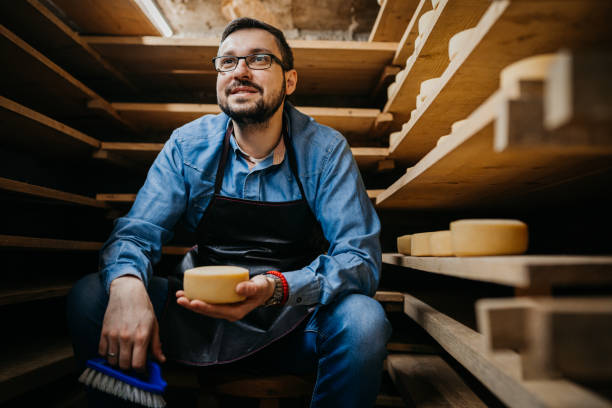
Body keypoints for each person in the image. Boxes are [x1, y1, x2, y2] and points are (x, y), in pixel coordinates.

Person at [67, 17, 391, 407]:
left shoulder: (324, 151)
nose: (239, 71)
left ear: (289, 81)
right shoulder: (188, 145)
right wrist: (127, 286)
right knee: (92, 296)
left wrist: (276, 288)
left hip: (291, 319)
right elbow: (138, 232)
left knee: (364, 321)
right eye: (227, 61)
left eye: (258, 59)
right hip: (201, 316)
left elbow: (359, 259)